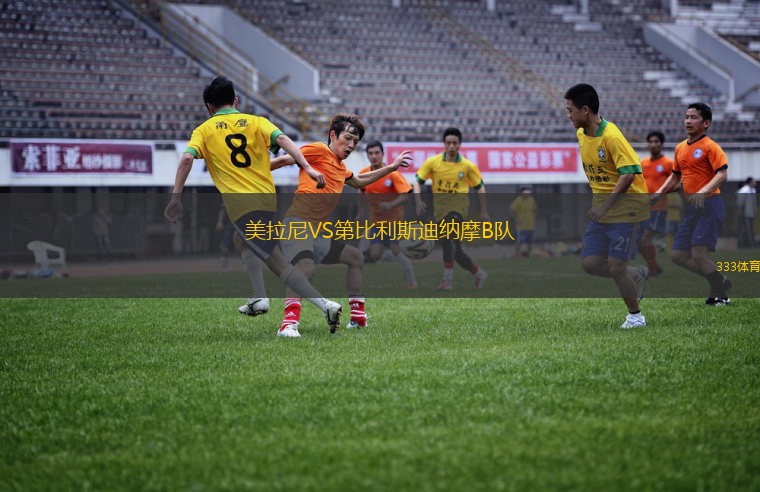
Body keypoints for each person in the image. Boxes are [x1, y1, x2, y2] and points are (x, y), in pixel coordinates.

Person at [164, 75, 342, 338]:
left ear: (209, 106)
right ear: (236, 101)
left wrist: (176, 198)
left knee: (278, 264)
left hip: (243, 206)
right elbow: (284, 140)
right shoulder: (258, 122)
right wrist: (307, 167)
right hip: (267, 201)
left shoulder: (204, 130)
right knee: (240, 240)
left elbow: (186, 160)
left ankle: (326, 306)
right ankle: (260, 297)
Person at [270, 114, 412, 335]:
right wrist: (249, 175)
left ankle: (357, 318)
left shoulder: (340, 167)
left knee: (355, 257)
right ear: (333, 135)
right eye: (347, 138)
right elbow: (282, 161)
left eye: (355, 141)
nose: (351, 145)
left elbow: (359, 181)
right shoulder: (318, 150)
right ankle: (288, 324)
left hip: (316, 233)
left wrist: (392, 167)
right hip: (297, 224)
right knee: (305, 268)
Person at [564, 83, 650, 329]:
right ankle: (637, 274)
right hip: (603, 209)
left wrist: (604, 206)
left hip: (628, 209)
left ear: (585, 110)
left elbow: (628, 175)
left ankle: (636, 317)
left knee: (616, 267)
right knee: (589, 263)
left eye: (570, 110)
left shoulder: (612, 136)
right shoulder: (582, 134)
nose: (568, 116)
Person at [650, 102, 731, 306]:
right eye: (687, 117)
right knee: (678, 255)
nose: (688, 121)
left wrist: (703, 191)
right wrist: (658, 193)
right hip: (692, 208)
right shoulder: (680, 148)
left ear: (706, 123)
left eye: (694, 117)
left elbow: (722, 175)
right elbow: (675, 177)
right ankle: (719, 280)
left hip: (710, 204)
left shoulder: (710, 146)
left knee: (699, 254)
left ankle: (721, 295)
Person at [412, 127, 490, 290]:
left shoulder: (467, 166)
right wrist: (418, 201)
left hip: (458, 210)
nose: (452, 146)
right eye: (449, 143)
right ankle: (479, 274)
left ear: (460, 144)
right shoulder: (433, 163)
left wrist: (483, 211)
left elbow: (480, 187)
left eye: (455, 143)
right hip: (440, 212)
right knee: (456, 251)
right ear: (444, 144)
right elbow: (417, 181)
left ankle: (447, 281)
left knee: (449, 240)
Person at [354, 140, 418, 288]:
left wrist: (390, 204)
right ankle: (403, 256)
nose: (374, 156)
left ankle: (412, 281)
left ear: (382, 154)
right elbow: (361, 192)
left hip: (394, 220)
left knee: (396, 250)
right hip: (376, 222)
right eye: (370, 153)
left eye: (377, 153)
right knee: (375, 254)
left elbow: (406, 196)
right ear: (367, 155)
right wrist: (359, 212)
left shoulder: (392, 174)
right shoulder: (364, 174)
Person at [637, 131, 673, 276]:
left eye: (656, 142)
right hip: (643, 207)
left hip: (658, 207)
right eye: (650, 142)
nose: (653, 144)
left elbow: (676, 183)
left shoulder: (668, 163)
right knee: (638, 240)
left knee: (645, 238)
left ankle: (652, 269)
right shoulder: (643, 163)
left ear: (662, 144)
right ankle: (655, 266)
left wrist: (659, 194)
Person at [509, 187, 537, 258]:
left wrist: (533, 218)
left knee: (530, 242)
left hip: (530, 225)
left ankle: (529, 254)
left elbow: (534, 210)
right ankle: (517, 254)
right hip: (521, 226)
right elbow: (511, 210)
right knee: (519, 241)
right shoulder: (518, 200)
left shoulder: (532, 200)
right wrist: (516, 220)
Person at [736, 177, 756, 248]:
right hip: (744, 214)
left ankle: (749, 244)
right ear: (750, 182)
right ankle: (747, 244)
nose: (755, 183)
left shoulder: (753, 190)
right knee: (744, 229)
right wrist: (740, 209)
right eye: (753, 182)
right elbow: (740, 201)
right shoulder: (744, 190)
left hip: (750, 213)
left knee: (749, 229)